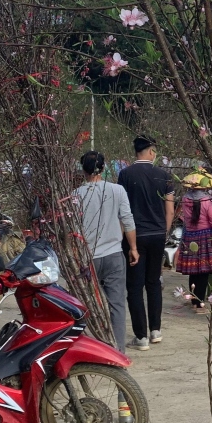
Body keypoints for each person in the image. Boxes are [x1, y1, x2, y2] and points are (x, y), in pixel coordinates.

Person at [73, 151, 139, 354]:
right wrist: (134, 248)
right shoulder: (117, 190)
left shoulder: (75, 195)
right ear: (103, 169)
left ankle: (84, 349)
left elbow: (72, 230)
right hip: (113, 255)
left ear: (83, 169)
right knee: (117, 305)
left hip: (87, 258)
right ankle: (118, 351)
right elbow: (127, 220)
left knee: (82, 307)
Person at [117, 134, 175, 350]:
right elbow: (169, 209)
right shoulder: (164, 175)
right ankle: (156, 331)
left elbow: (122, 210)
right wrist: (164, 232)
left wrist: (124, 237)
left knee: (134, 286)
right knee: (154, 283)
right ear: (151, 151)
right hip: (157, 235)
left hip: (135, 235)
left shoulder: (125, 174)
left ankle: (140, 336)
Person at [176, 172, 212, 314]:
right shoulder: (207, 201)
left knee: (193, 271)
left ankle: (194, 302)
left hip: (190, 236)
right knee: (204, 272)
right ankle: (200, 305)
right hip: (206, 237)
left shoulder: (184, 199)